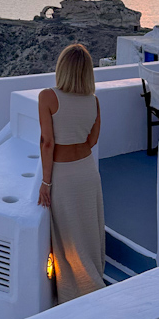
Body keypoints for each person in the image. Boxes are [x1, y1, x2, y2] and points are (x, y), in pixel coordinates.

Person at [37, 43, 105, 302]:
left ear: (62, 68)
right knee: (88, 229)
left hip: (63, 175)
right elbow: (92, 140)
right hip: (87, 171)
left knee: (68, 235)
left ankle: (78, 288)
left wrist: (46, 182)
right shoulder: (94, 101)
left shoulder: (48, 97)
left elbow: (47, 142)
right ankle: (93, 276)